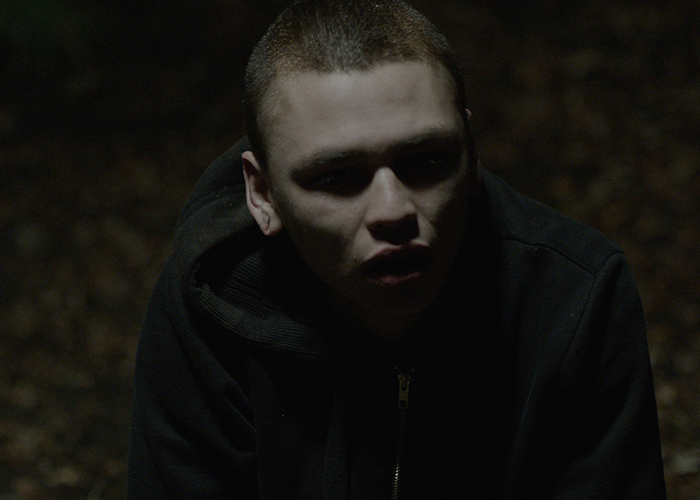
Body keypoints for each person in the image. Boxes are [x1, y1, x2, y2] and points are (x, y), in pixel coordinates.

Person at [126, 0, 667, 498]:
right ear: (263, 195)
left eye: (426, 161)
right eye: (337, 177)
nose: (393, 210)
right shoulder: (208, 306)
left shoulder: (575, 298)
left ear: (471, 156)